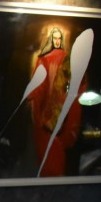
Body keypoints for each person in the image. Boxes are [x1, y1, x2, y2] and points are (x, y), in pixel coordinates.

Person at [27, 26, 84, 177]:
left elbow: (76, 91)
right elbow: (38, 91)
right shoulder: (47, 60)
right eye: (55, 38)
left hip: (56, 121)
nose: (57, 41)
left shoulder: (59, 61)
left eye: (59, 38)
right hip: (51, 122)